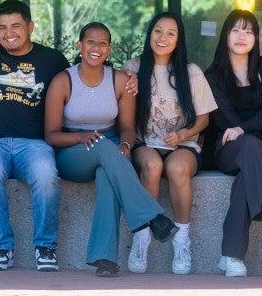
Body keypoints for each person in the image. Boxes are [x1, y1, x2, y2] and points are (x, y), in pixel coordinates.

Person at [43, 22, 176, 277]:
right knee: (104, 147)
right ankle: (152, 216)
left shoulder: (119, 81)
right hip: (73, 151)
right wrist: (81, 136)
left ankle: (104, 259)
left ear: (109, 49)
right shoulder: (63, 81)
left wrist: (126, 145)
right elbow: (51, 135)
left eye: (102, 43)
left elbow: (127, 128)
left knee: (107, 174)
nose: (96, 47)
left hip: (111, 149)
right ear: (79, 46)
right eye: (90, 42)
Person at [0, 0, 69, 272]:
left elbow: (82, 79)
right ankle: (2, 247)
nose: (8, 32)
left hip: (34, 143)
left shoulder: (52, 60)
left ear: (30, 27)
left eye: (15, 25)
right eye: (1, 27)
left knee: (47, 177)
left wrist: (127, 76)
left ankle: (45, 248)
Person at [123, 11, 217, 275]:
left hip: (183, 144)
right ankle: (141, 237)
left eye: (171, 33)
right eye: (158, 31)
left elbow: (204, 120)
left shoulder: (191, 72)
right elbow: (123, 112)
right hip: (145, 143)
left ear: (179, 40)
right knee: (151, 166)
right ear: (149, 34)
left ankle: (182, 239)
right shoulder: (132, 69)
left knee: (176, 169)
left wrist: (183, 135)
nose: (163, 38)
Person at [204, 10, 262, 277]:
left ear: (256, 37)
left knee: (246, 179)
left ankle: (231, 257)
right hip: (230, 148)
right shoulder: (214, 75)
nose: (242, 36)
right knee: (251, 147)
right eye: (236, 30)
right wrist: (254, 137)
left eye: (248, 31)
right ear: (226, 35)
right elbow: (226, 121)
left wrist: (257, 137)